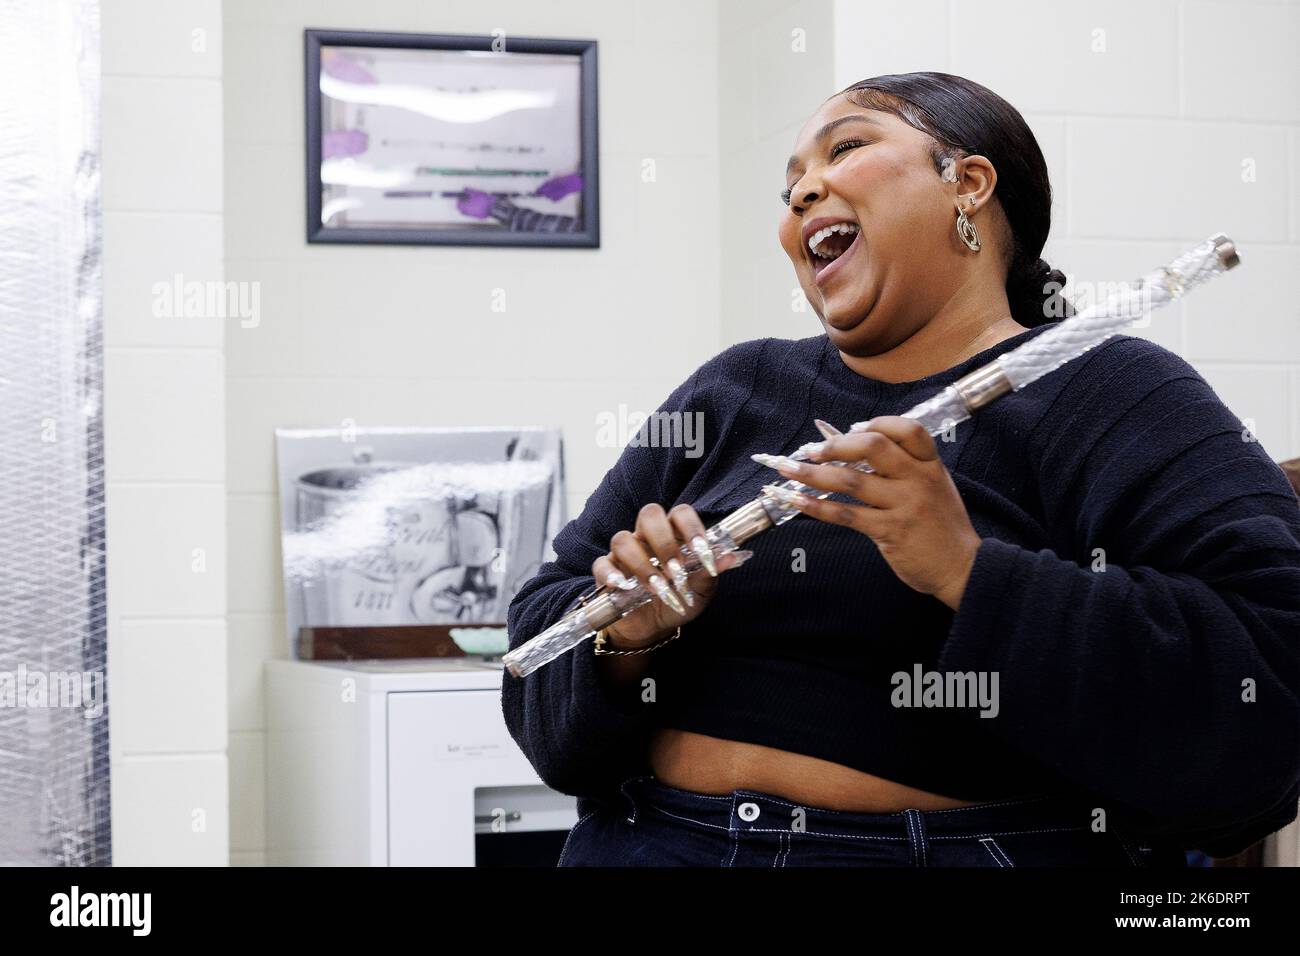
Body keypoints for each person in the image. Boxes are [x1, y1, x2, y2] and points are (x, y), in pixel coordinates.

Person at [501, 72, 1300, 867]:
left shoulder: (1115, 388)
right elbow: (544, 620)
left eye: (845, 148)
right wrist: (626, 636)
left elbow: (1267, 692)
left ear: (970, 183)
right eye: (788, 193)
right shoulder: (737, 385)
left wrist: (967, 569)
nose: (803, 195)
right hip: (646, 843)